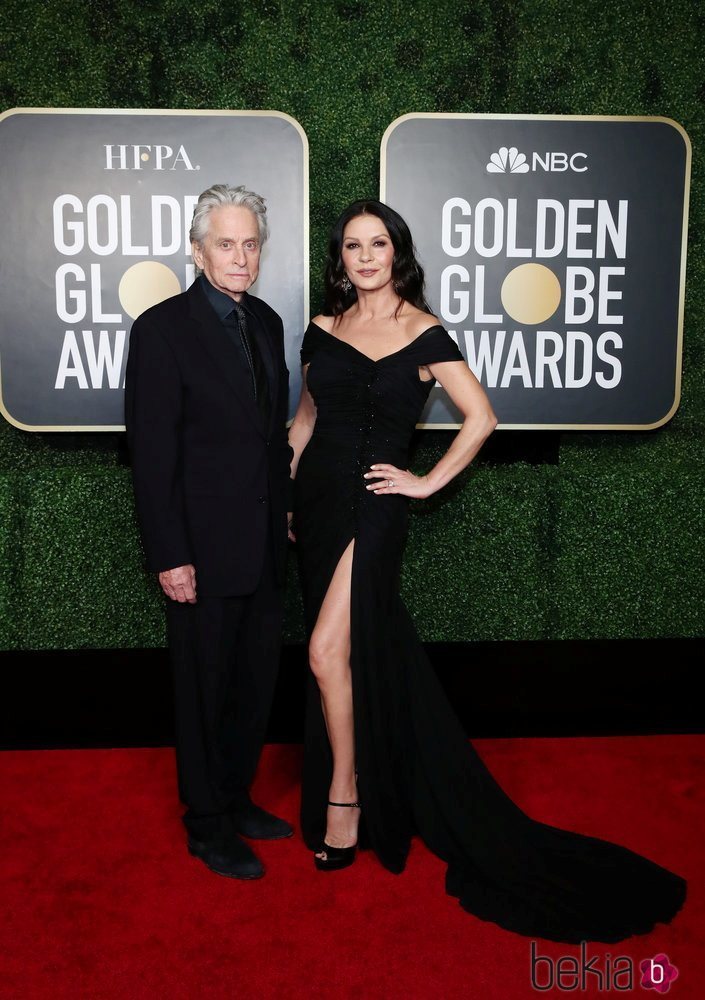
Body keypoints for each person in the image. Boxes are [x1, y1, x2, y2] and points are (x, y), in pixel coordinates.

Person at [287, 198, 686, 941]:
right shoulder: (322, 329)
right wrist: (288, 491)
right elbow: (307, 419)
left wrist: (425, 481)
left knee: (322, 651)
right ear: (338, 258)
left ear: (396, 254)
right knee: (346, 653)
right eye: (352, 246)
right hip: (313, 506)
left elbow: (482, 416)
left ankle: (346, 795)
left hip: (373, 507)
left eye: (378, 244)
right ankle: (366, 772)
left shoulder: (423, 332)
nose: (365, 257)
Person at [125, 184, 294, 880]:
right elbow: (152, 452)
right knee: (202, 688)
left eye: (250, 243)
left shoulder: (268, 322)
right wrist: (171, 555)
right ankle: (205, 822)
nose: (241, 257)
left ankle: (234, 796)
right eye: (225, 243)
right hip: (198, 549)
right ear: (196, 250)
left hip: (262, 544)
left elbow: (268, 436)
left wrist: (283, 510)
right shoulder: (162, 329)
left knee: (253, 682)